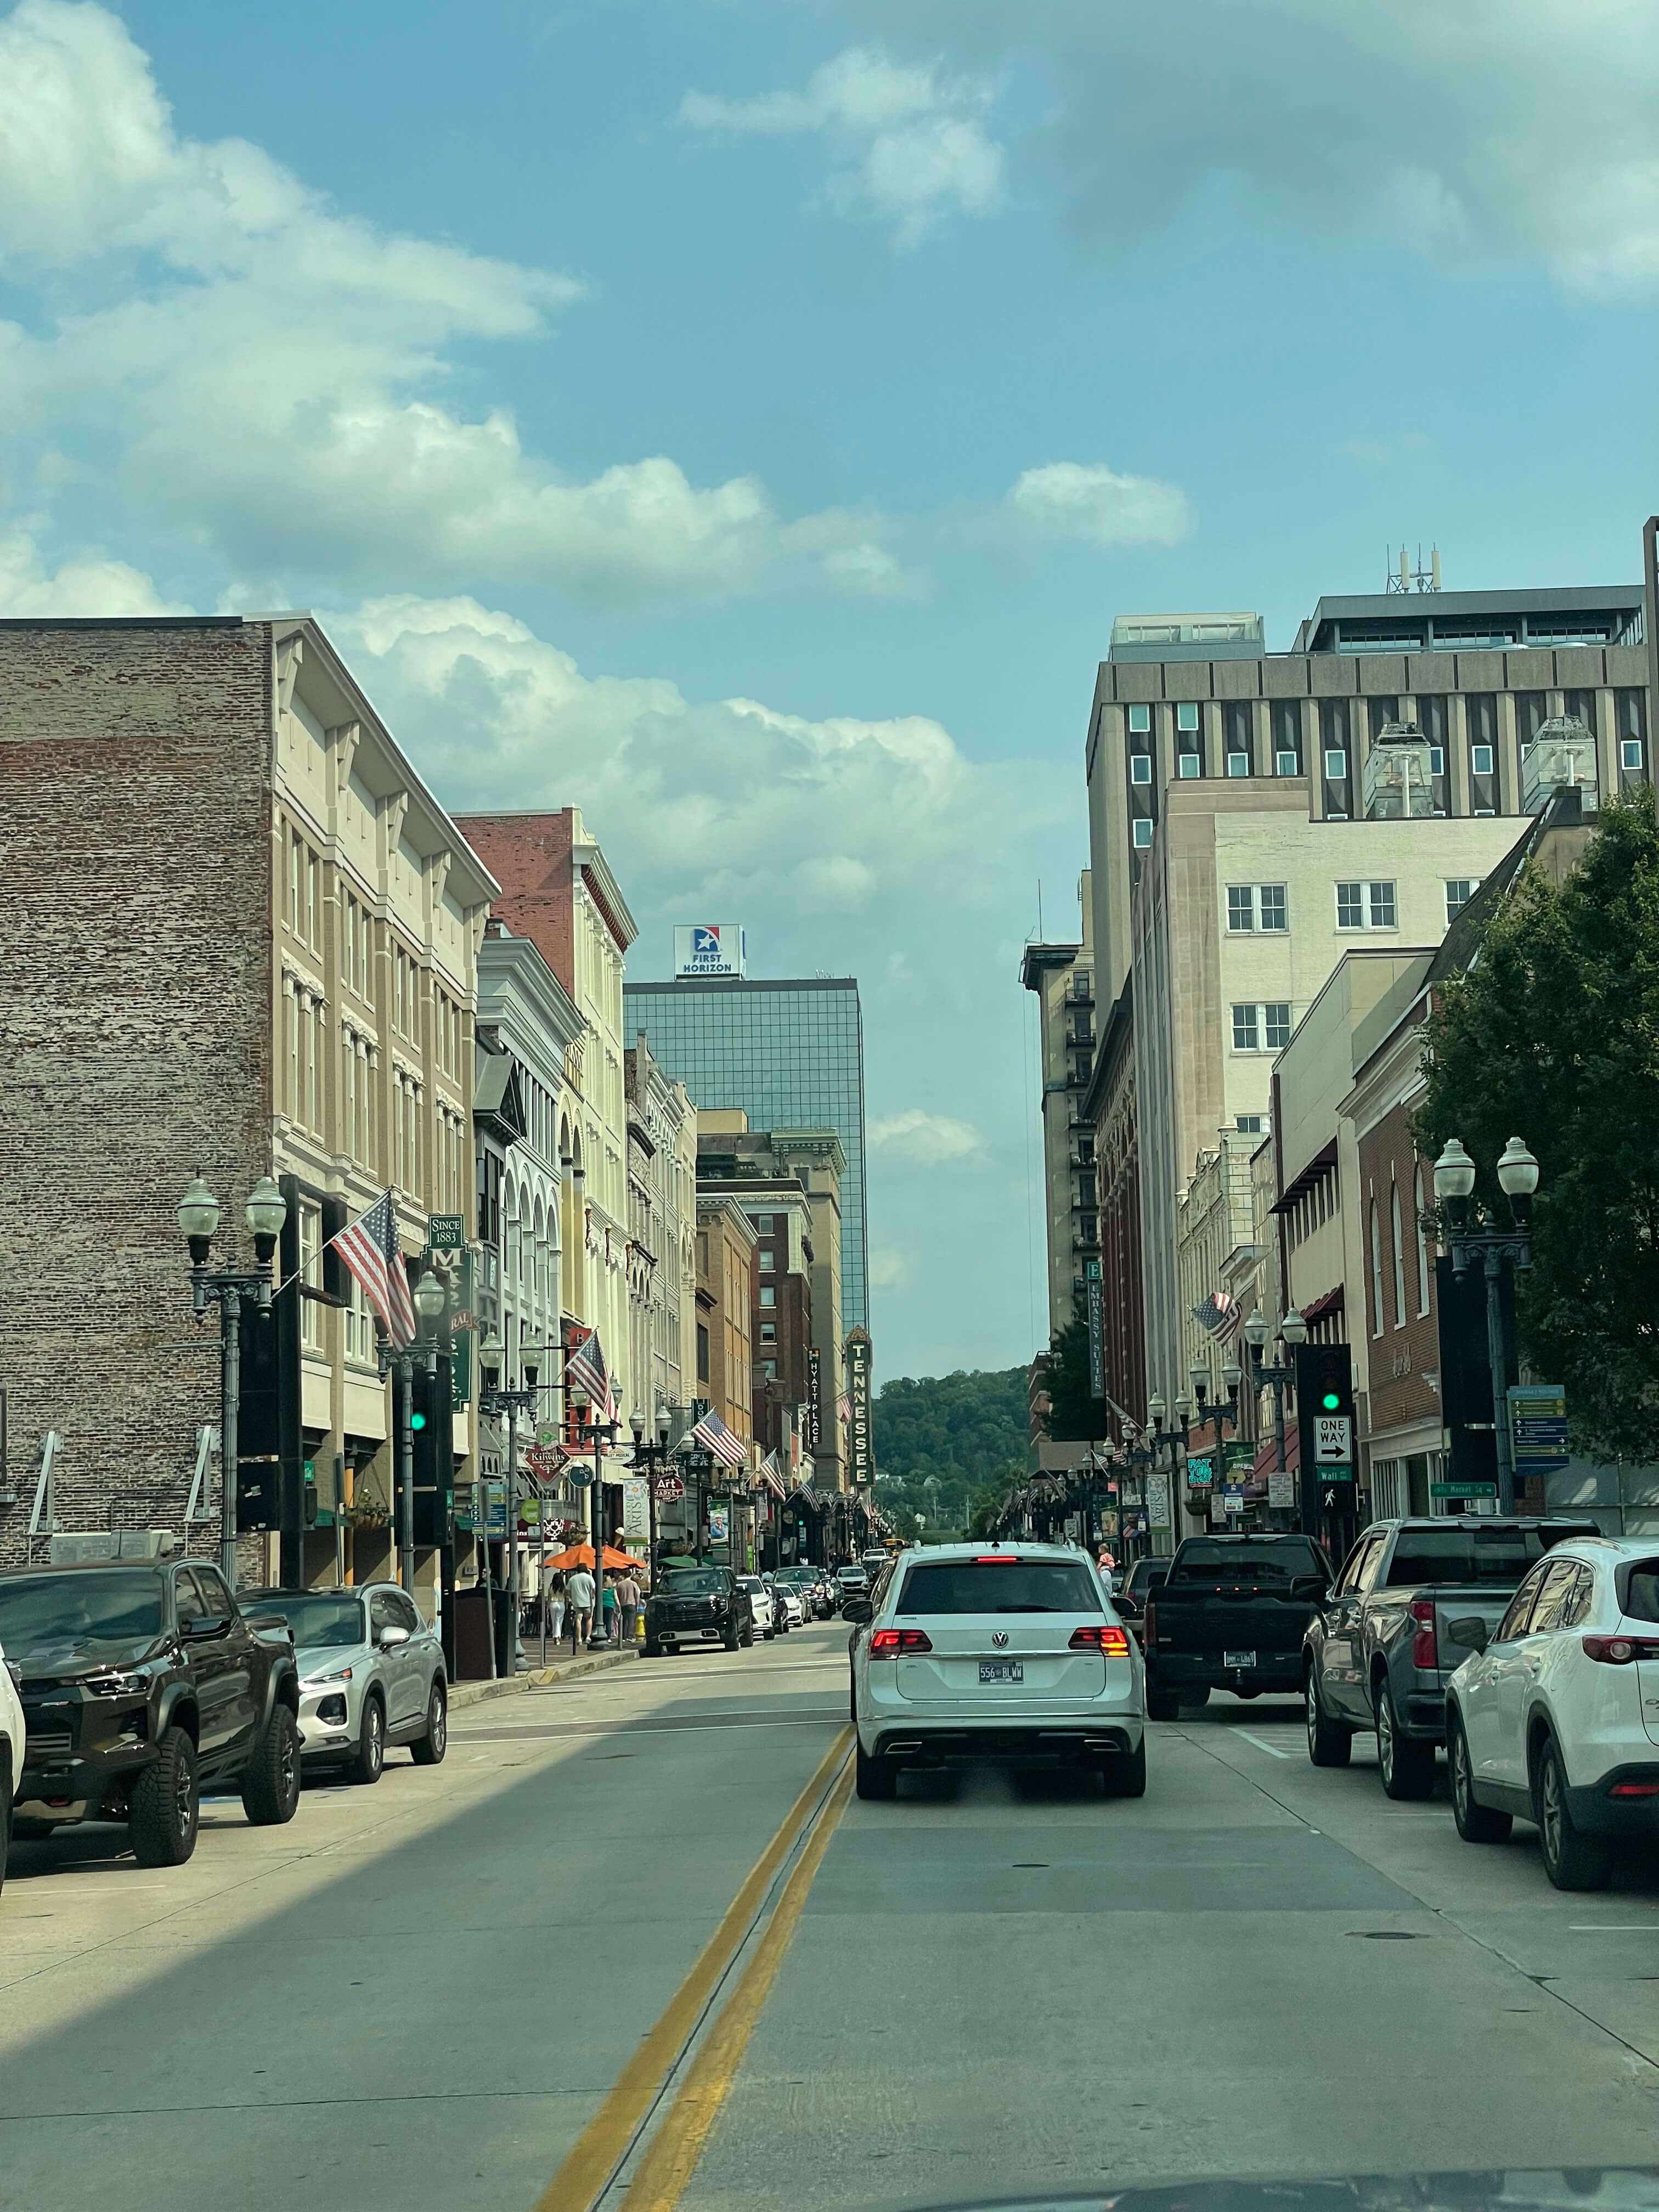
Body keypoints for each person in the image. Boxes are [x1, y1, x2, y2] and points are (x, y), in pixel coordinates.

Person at [566, 1559, 595, 1650]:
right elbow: (594, 1589)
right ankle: (588, 1637)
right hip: (588, 1602)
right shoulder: (589, 1578)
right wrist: (593, 1597)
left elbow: (568, 1591)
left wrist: (572, 1598)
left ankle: (579, 1639)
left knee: (578, 1619)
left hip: (577, 1602)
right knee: (589, 1619)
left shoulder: (573, 1579)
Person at [616, 1566, 640, 1649]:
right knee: (631, 1621)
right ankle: (630, 1636)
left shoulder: (619, 1584)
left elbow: (617, 1595)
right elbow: (637, 1595)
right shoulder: (633, 1584)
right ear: (630, 1575)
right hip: (631, 1603)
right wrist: (637, 1604)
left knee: (624, 1621)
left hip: (623, 1604)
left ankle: (623, 1637)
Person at [545, 1571, 566, 1650]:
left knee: (554, 1621)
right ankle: (557, 1636)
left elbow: (549, 1598)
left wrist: (547, 1607)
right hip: (561, 1603)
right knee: (559, 1621)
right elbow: (566, 1596)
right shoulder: (563, 1587)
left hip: (553, 1604)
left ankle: (555, 1636)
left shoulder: (551, 1587)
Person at [599, 1571, 619, 1646]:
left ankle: (601, 1635)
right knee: (609, 1622)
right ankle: (608, 1637)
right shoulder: (613, 1590)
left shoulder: (600, 1590)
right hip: (610, 1607)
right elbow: (616, 1599)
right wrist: (619, 1607)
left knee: (602, 1622)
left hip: (601, 1607)